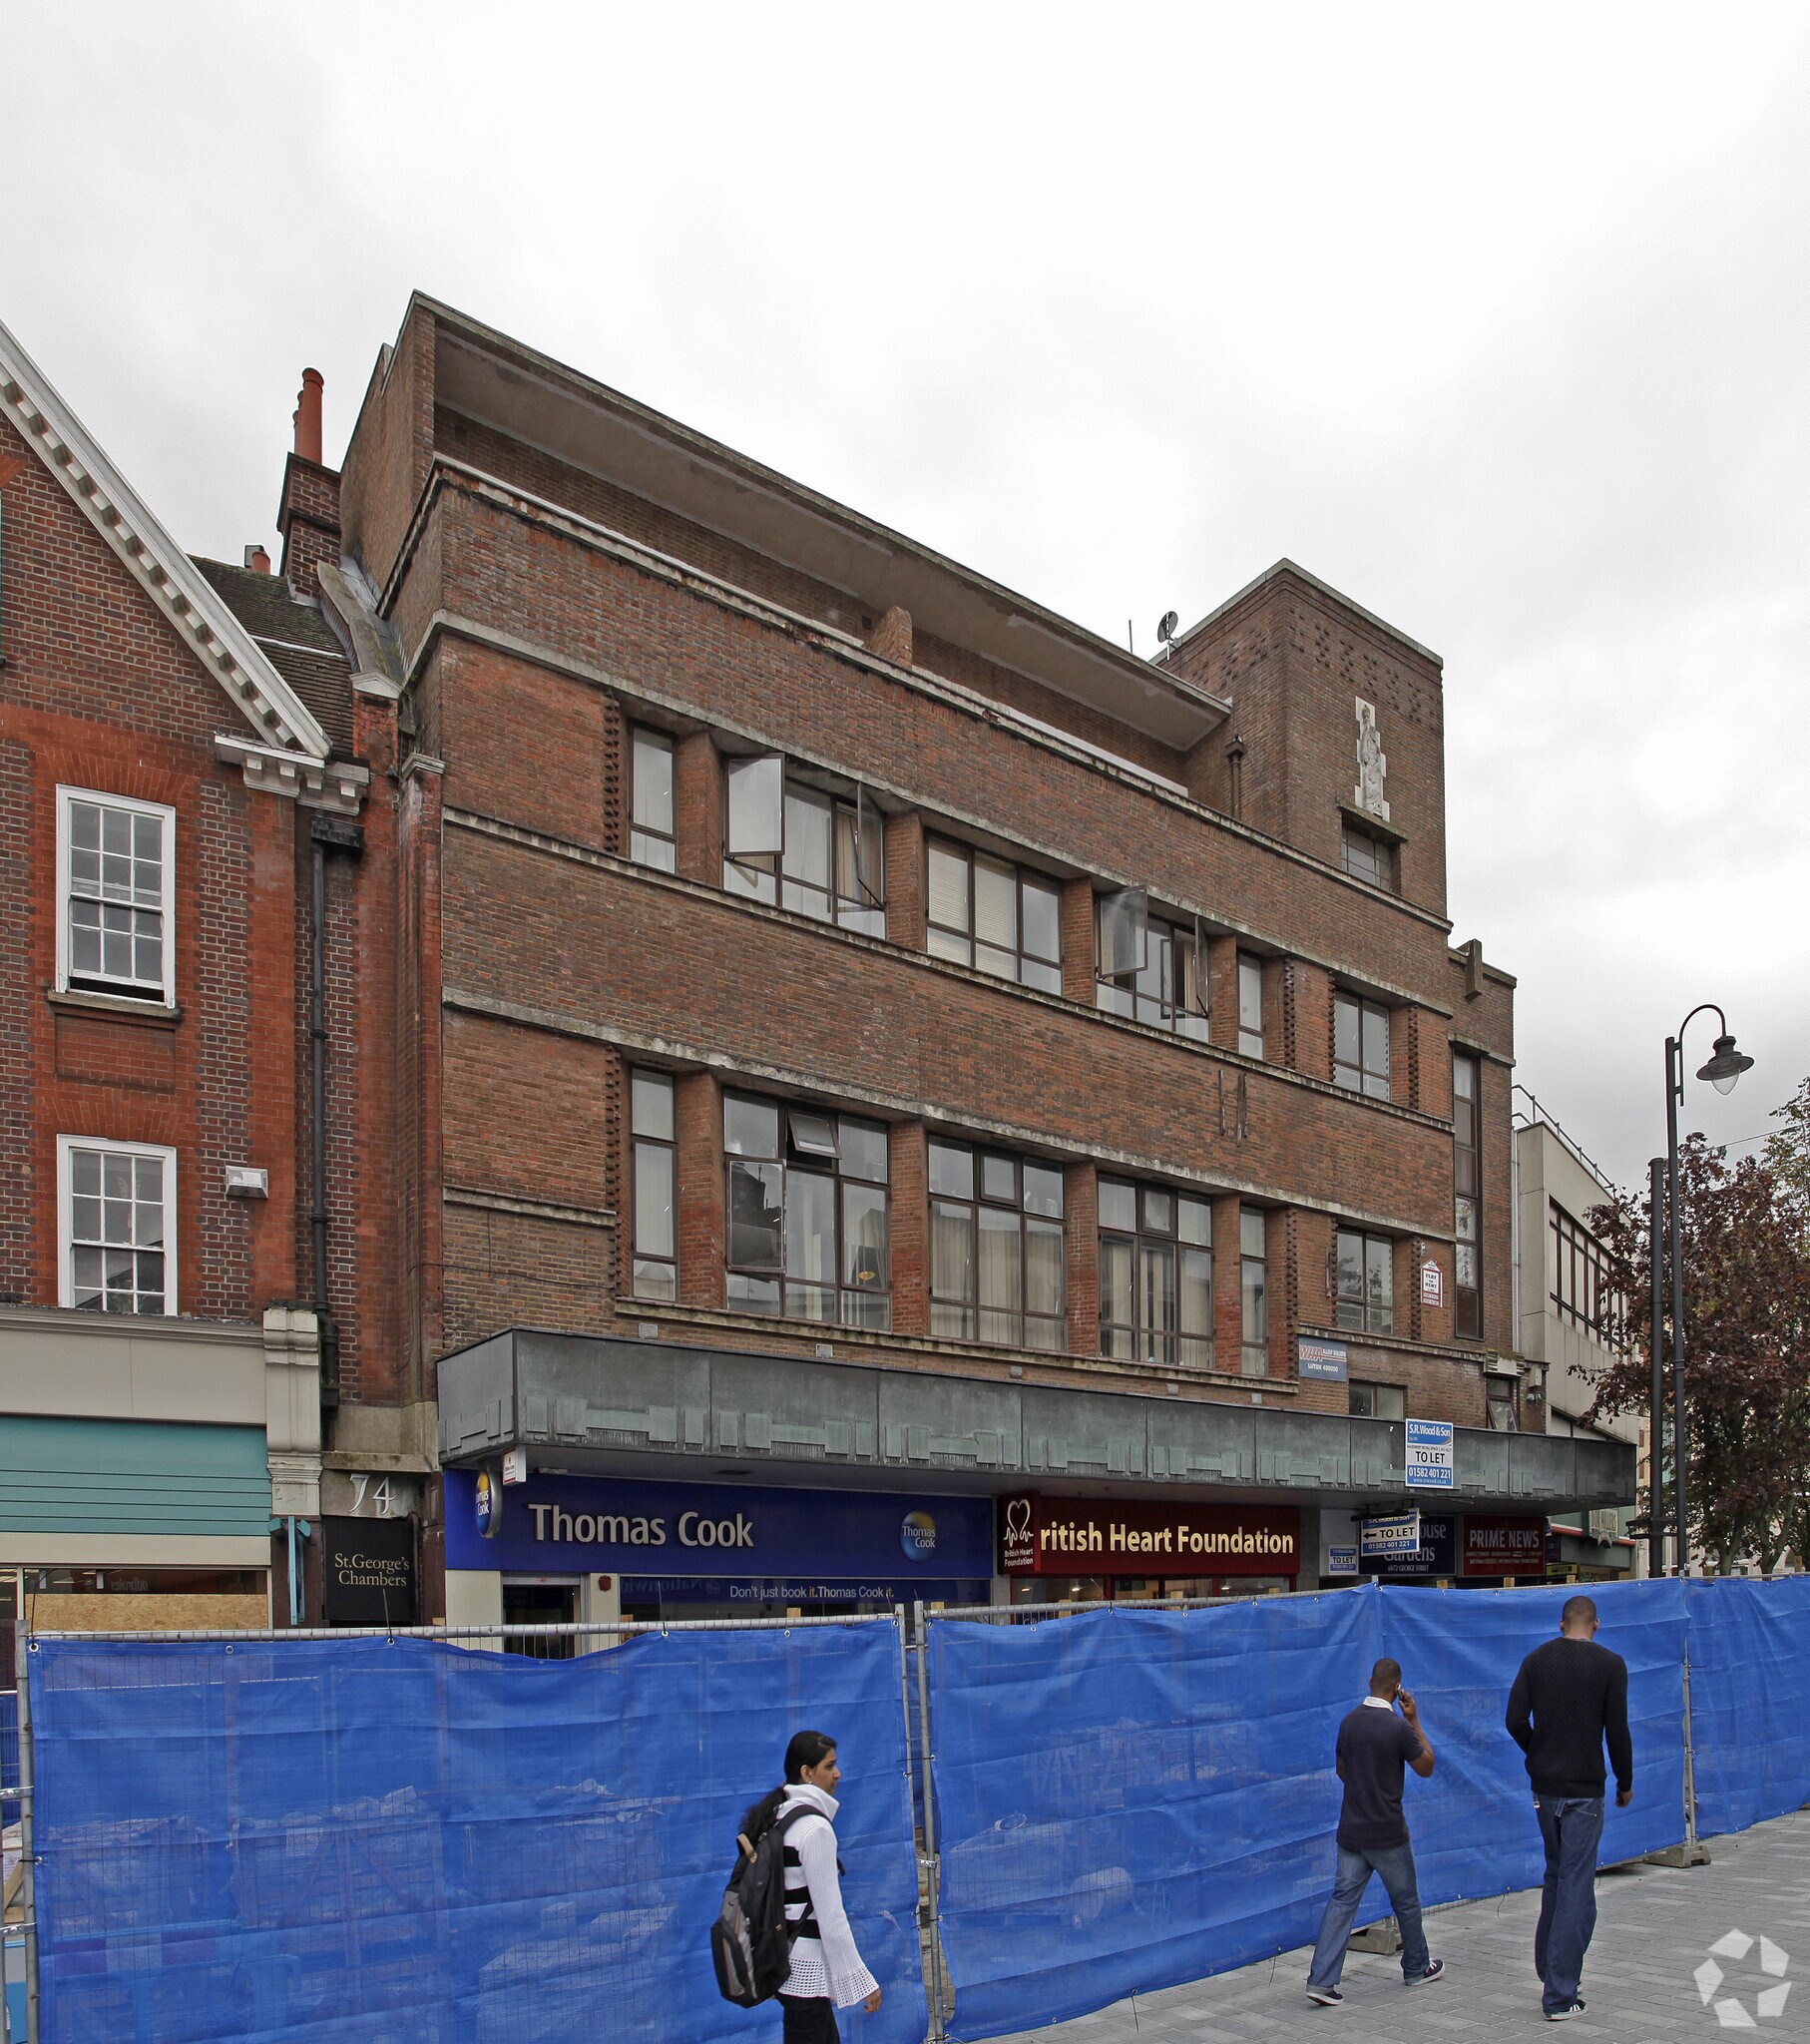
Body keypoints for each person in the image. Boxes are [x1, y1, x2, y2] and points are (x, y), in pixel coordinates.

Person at [1506, 1594, 1633, 2022]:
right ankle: (1560, 1995)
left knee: (1556, 1877)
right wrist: (1625, 1782)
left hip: (1544, 1787)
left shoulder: (1536, 1660)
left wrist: (1537, 1752)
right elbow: (1617, 1730)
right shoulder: (1610, 1664)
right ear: (1595, 1624)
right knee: (1577, 1886)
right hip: (1585, 1788)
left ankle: (1550, 1971)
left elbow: (1514, 1720)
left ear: (1561, 1624)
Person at [1305, 1657, 1445, 2005]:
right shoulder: (1398, 1728)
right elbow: (1427, 1766)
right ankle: (1416, 1967)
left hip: (1352, 1831)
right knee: (1406, 1902)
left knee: (1342, 1902)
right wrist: (1414, 1719)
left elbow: (1342, 1770)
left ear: (1370, 1682)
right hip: (1387, 1833)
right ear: (1398, 1689)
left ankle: (1321, 1982)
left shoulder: (1348, 1723)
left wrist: (1363, 1791)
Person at [737, 1730, 882, 2042]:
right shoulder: (815, 1828)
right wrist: (862, 1981)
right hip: (806, 1973)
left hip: (787, 1965)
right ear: (807, 1772)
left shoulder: (779, 1817)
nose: (837, 1773)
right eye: (829, 1766)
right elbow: (831, 1917)